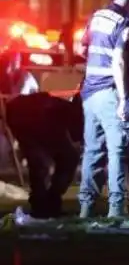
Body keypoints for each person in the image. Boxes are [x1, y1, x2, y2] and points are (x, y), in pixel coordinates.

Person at [78, 0, 129, 218]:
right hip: (109, 92)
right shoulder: (125, 22)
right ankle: (116, 208)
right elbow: (120, 60)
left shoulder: (97, 16)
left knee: (92, 150)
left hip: (89, 93)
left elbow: (82, 48)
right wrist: (124, 98)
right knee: (117, 150)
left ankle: (86, 207)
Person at [5, 90, 82, 218]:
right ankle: (47, 203)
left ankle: (45, 203)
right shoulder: (63, 113)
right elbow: (75, 136)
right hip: (29, 115)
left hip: (22, 112)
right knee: (51, 161)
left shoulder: (62, 111)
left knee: (41, 162)